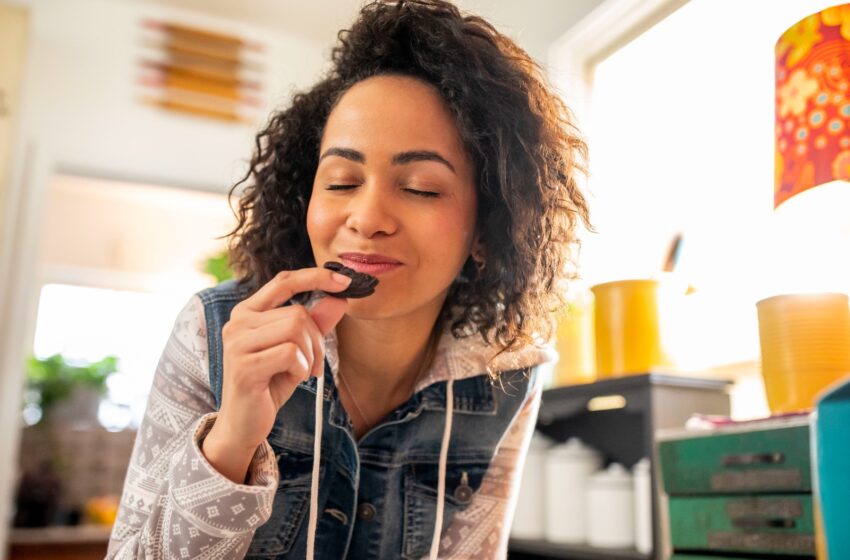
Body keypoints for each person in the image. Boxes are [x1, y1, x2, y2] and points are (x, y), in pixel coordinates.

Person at [106, 0, 591, 558]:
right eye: (340, 181)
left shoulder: (508, 371)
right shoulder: (213, 333)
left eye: (421, 188)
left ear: (488, 228)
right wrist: (233, 439)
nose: (365, 218)